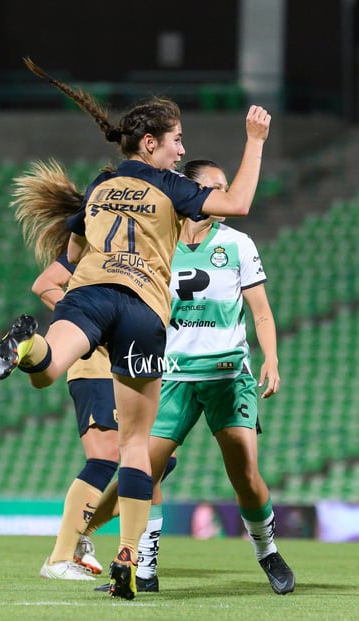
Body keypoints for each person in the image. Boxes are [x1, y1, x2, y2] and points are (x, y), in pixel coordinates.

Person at [0, 56, 270, 600]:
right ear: (149, 143)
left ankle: (25, 344)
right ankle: (128, 559)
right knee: (137, 446)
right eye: (177, 140)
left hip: (90, 294)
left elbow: (70, 256)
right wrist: (254, 140)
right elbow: (237, 202)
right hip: (141, 311)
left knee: (45, 370)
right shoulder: (169, 186)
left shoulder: (100, 185)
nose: (182, 150)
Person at [90, 160, 295, 596]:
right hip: (171, 379)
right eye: (214, 186)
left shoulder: (237, 244)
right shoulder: (158, 245)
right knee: (148, 470)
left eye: (225, 187)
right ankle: (143, 567)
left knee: (245, 473)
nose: (222, 194)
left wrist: (271, 359)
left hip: (227, 375)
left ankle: (267, 550)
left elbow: (261, 311)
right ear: (190, 191)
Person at [12, 160, 176, 587]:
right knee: (109, 456)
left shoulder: (131, 244)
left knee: (152, 461)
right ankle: (64, 553)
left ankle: (84, 538)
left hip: (121, 355)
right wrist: (92, 329)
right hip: (94, 362)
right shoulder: (98, 243)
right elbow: (46, 282)